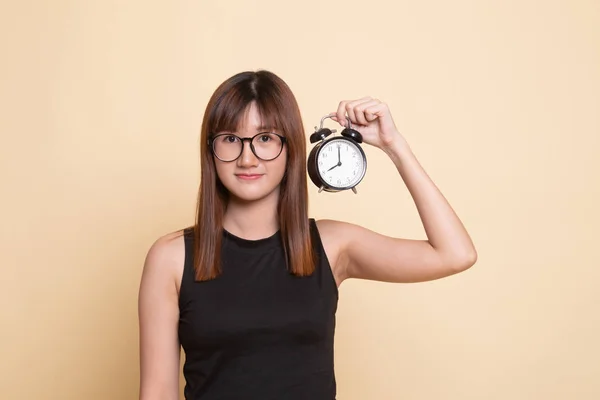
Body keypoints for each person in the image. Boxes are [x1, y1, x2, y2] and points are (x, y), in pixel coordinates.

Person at [137, 70, 477, 400]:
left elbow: (455, 254)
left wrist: (393, 145)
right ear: (210, 151)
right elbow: (157, 393)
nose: (247, 157)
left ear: (292, 148)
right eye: (230, 139)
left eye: (265, 139)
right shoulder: (172, 258)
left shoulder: (332, 246)